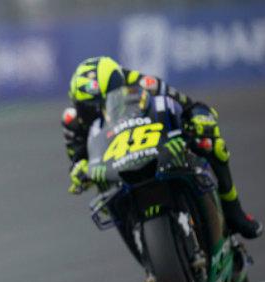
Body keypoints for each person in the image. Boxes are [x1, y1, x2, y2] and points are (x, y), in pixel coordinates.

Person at [62, 56, 262, 239]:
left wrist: (199, 119)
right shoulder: (74, 120)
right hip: (117, 166)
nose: (93, 111)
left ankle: (233, 209)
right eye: (86, 106)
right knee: (104, 192)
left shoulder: (144, 83)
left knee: (211, 143)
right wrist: (79, 169)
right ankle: (143, 250)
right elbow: (78, 156)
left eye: (99, 104)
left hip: (159, 144)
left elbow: (191, 106)